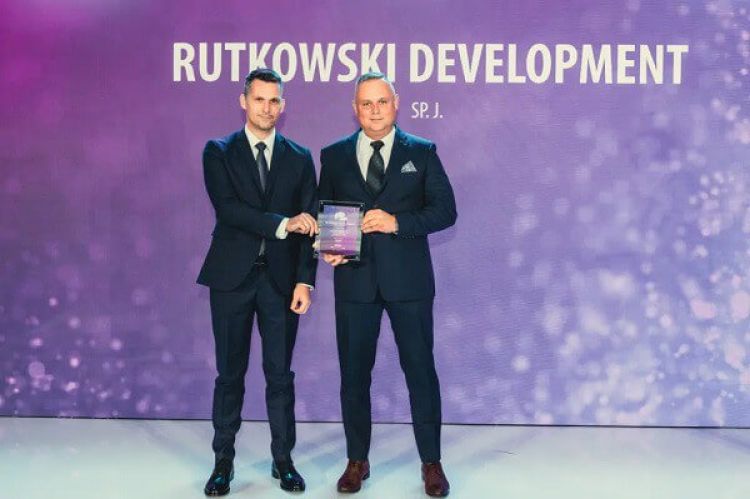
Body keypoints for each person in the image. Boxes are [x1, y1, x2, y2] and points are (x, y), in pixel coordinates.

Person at [318, 72, 457, 497]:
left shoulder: (422, 152)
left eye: (382, 101)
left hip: (409, 283)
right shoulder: (334, 155)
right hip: (354, 282)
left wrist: (398, 222)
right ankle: (356, 460)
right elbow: (324, 210)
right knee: (353, 375)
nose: (375, 110)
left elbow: (445, 211)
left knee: (420, 372)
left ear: (396, 104)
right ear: (355, 109)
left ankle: (431, 462)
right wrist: (329, 247)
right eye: (366, 103)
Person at [197, 68, 318, 496]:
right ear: (244, 101)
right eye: (259, 99)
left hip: (281, 284)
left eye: (274, 100)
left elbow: (311, 224)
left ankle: (283, 461)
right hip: (231, 280)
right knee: (230, 374)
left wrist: (305, 282)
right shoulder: (219, 151)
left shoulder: (300, 157)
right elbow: (229, 210)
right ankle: (223, 463)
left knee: (280, 376)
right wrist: (283, 224)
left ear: (283, 106)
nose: (267, 108)